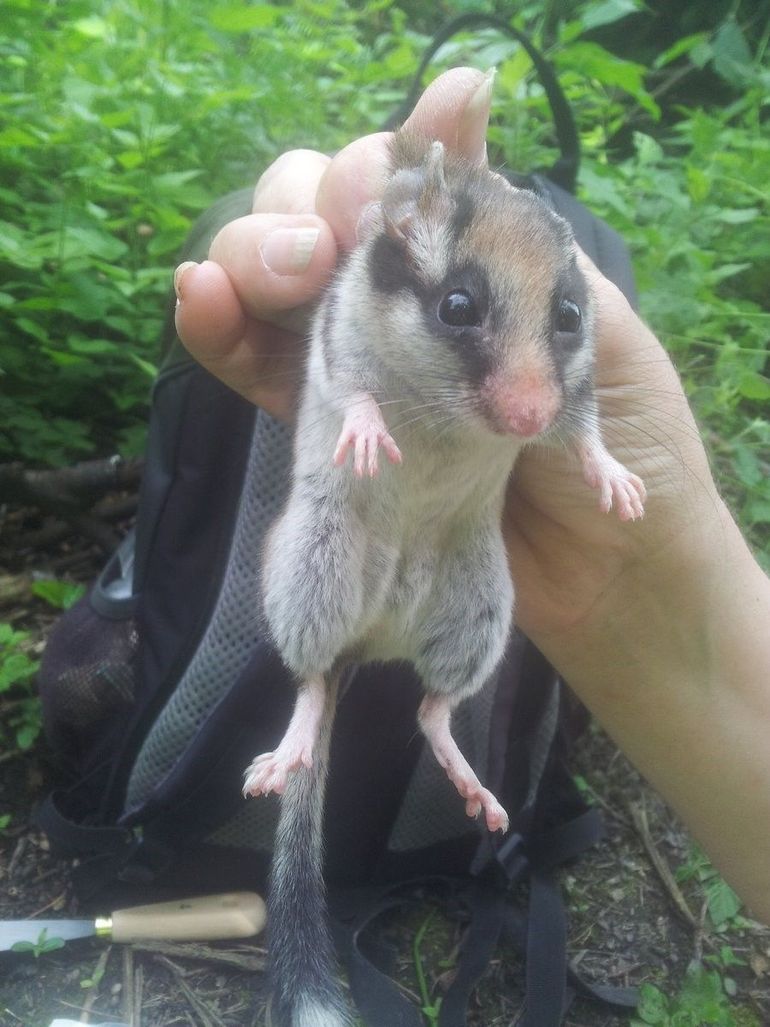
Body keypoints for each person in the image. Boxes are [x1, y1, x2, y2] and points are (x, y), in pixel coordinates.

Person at [173, 67, 770, 923]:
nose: (528, 411)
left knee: (478, 574)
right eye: (460, 307)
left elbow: (568, 393)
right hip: (356, 521)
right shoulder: (375, 278)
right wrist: (366, 407)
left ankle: (442, 716)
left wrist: (596, 454)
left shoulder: (553, 358)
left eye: (562, 325)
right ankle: (310, 699)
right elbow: (345, 347)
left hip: (461, 531)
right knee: (317, 538)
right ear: (404, 244)